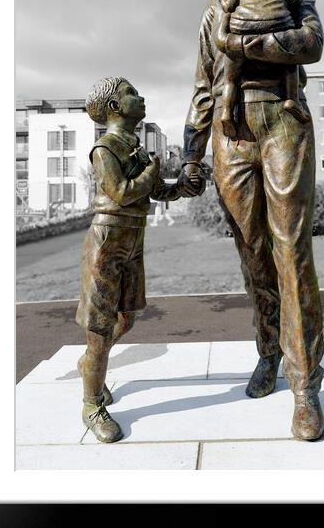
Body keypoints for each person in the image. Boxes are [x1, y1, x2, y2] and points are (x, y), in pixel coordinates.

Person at [177, 0, 324, 440]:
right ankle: (270, 352)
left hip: (281, 119)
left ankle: (305, 383)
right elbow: (200, 89)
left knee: (290, 247)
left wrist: (249, 43)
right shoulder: (211, 11)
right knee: (254, 251)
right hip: (229, 135)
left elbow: (312, 41)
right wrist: (191, 158)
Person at [75, 76, 181, 442]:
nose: (141, 98)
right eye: (132, 94)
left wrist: (182, 184)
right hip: (107, 243)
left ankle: (90, 362)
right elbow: (120, 192)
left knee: (127, 319)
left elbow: (156, 190)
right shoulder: (104, 149)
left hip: (133, 242)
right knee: (101, 329)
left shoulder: (137, 146)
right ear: (116, 108)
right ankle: (91, 405)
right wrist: (153, 171)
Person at [215, 0, 310, 138]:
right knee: (290, 59)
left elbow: (229, 5)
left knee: (230, 80)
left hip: (239, 28)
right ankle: (292, 99)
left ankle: (226, 112)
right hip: (275, 24)